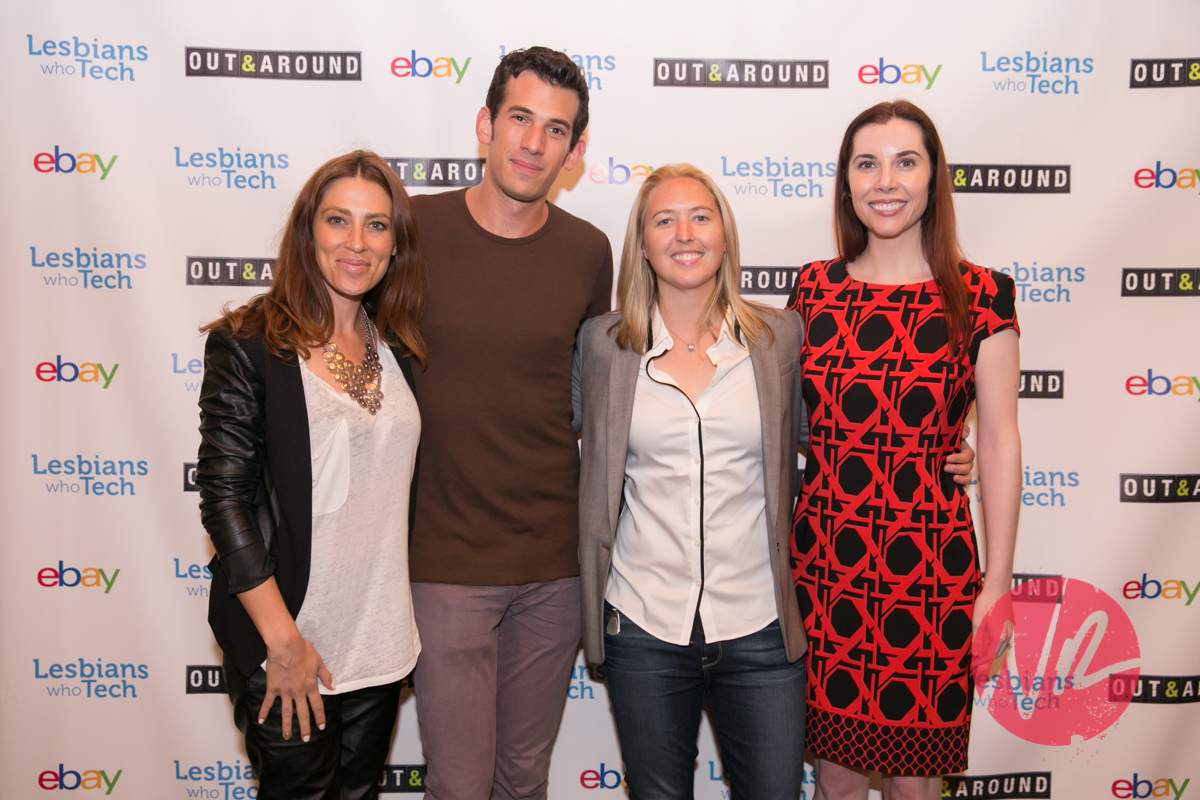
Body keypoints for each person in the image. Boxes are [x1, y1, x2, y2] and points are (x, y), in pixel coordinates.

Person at [788, 101, 1021, 800]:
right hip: (826, 565)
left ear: (933, 178)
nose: (885, 181)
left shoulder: (981, 296)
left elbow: (1002, 438)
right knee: (834, 777)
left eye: (905, 161)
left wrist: (999, 586)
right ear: (846, 181)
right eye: (867, 163)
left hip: (930, 570)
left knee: (916, 784)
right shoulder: (813, 290)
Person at [405, 47, 612, 800]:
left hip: (554, 566)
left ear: (575, 150)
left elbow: (602, 400)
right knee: (459, 784)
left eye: (555, 130)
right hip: (445, 561)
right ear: (485, 124)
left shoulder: (590, 251)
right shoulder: (411, 230)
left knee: (524, 779)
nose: (533, 143)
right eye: (519, 119)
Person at [196, 150, 427, 800]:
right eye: (338, 221)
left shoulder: (399, 349)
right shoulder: (249, 345)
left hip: (379, 644)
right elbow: (225, 502)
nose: (357, 242)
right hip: (293, 646)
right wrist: (283, 642)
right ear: (308, 232)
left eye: (377, 226)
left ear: (395, 243)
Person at [574, 164, 808, 799]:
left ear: (725, 235)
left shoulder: (778, 338)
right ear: (643, 243)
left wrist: (955, 451)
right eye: (664, 219)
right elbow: (552, 446)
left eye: (700, 217)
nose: (684, 233)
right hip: (645, 629)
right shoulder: (603, 345)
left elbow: (833, 442)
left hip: (761, 626)